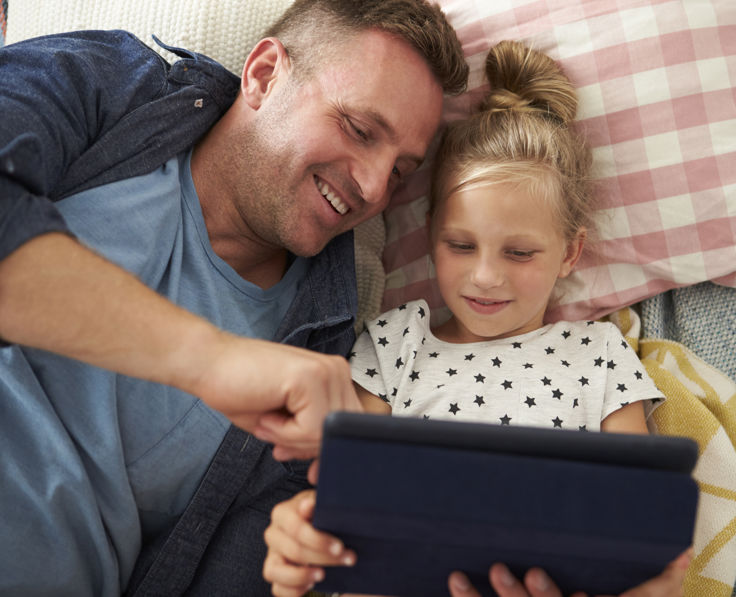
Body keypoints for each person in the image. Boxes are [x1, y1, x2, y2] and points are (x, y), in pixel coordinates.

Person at [0, 1, 467, 595]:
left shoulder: (320, 353)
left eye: (400, 170)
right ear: (265, 75)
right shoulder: (110, 86)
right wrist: (211, 358)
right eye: (358, 129)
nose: (376, 187)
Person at [262, 40, 692, 597]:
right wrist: (304, 535)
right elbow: (342, 497)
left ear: (569, 252)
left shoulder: (599, 353)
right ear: (433, 229)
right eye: (461, 245)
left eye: (519, 253)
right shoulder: (396, 342)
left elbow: (636, 527)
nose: (485, 277)